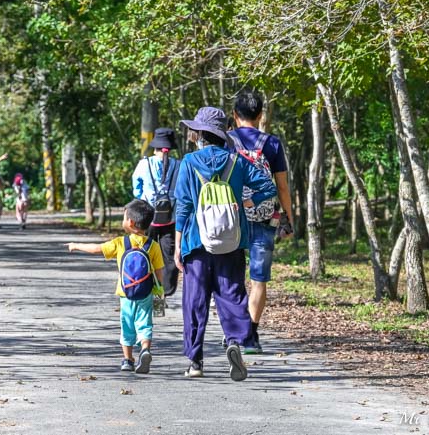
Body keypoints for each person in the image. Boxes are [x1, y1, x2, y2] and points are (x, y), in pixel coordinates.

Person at [173, 106, 277, 381]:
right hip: (232, 241)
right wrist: (247, 203)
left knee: (195, 301)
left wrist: (177, 245)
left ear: (199, 134)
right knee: (231, 295)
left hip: (196, 243)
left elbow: (182, 207)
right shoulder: (238, 161)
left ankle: (195, 362)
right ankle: (233, 342)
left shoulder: (188, 163)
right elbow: (269, 187)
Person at [66, 200, 165, 374]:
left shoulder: (121, 243)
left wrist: (76, 245)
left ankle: (128, 360)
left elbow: (97, 248)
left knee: (127, 324)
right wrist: (158, 289)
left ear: (131, 223)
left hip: (126, 293)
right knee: (144, 324)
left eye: (124, 216)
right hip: (146, 293)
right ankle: (145, 350)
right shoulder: (153, 246)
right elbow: (159, 272)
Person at [229, 91, 294, 354]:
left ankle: (233, 332)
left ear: (235, 115)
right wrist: (288, 217)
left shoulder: (226, 141)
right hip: (265, 217)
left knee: (232, 277)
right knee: (258, 279)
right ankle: (252, 336)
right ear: (260, 116)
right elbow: (282, 186)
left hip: (232, 219)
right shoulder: (273, 144)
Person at [131, 127, 180, 311]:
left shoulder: (144, 165)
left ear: (155, 147)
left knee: (146, 254)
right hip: (171, 219)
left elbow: (136, 188)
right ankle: (163, 294)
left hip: (148, 219)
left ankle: (145, 292)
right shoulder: (179, 164)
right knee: (168, 259)